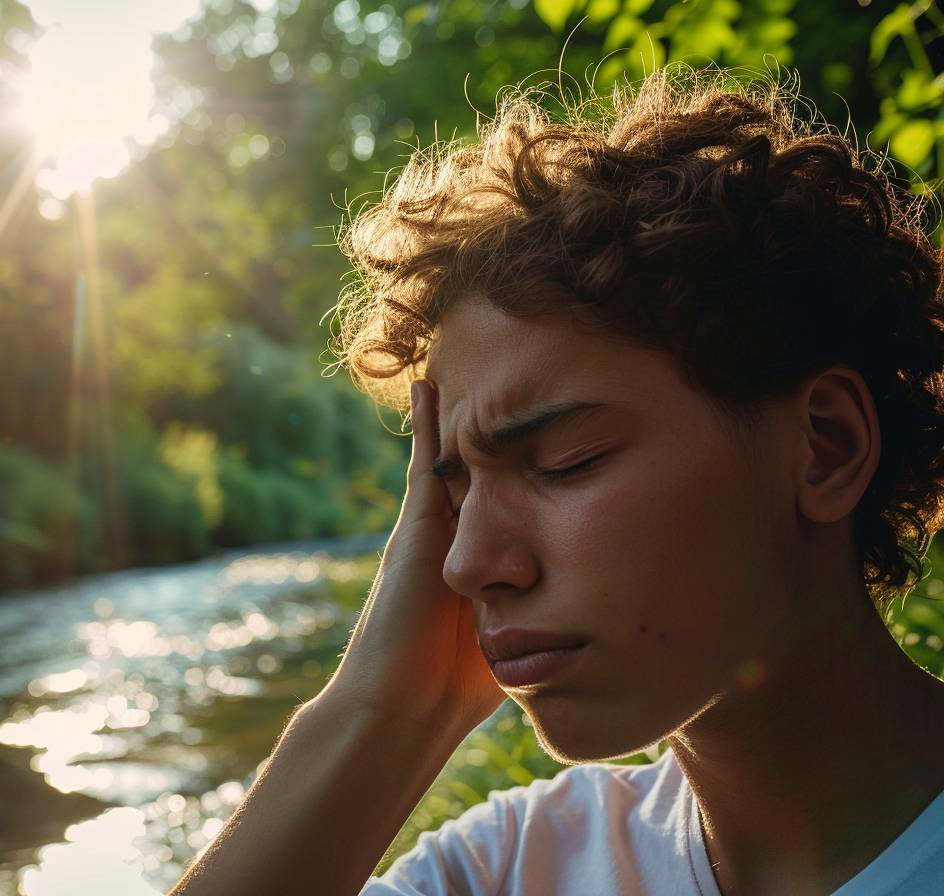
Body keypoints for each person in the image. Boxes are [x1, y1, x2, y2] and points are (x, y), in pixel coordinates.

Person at [168, 62, 944, 896]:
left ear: (823, 446)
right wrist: (383, 718)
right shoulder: (507, 868)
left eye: (564, 462)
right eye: (455, 492)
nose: (465, 565)